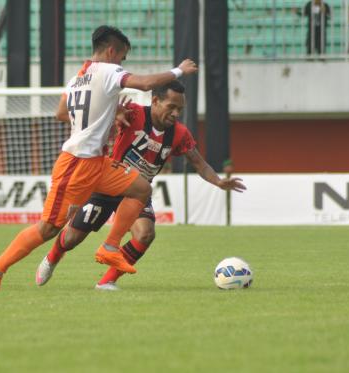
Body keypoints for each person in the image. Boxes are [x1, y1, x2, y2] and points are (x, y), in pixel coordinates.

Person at [0, 25, 198, 291]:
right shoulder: (108, 70)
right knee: (48, 228)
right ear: (111, 51)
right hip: (76, 163)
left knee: (141, 188)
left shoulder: (78, 78)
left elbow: (61, 113)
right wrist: (179, 70)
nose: (122, 63)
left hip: (98, 162)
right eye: (122, 57)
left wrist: (108, 111)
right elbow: (144, 84)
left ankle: (110, 246)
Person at [34, 80, 246, 290]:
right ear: (155, 101)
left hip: (136, 194)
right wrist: (115, 114)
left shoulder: (180, 134)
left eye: (179, 109)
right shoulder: (133, 113)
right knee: (72, 238)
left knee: (145, 234)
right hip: (107, 185)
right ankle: (52, 258)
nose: (175, 113)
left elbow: (199, 163)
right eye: (171, 107)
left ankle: (107, 281)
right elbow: (100, 115)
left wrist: (218, 181)